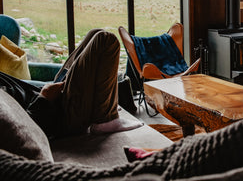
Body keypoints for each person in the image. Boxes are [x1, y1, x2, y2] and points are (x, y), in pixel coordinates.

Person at [0, 28, 142, 138]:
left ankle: (101, 108)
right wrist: (44, 98)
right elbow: (22, 129)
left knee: (96, 33)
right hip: (59, 116)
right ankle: (106, 119)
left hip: (51, 99)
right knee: (106, 40)